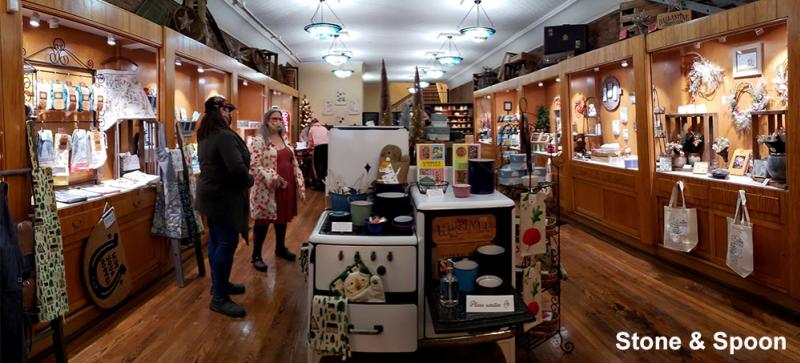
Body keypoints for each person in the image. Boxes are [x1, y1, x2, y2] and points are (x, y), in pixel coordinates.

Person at [195, 95, 253, 318]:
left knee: (217, 241)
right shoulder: (224, 137)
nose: (230, 114)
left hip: (211, 197)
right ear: (217, 112)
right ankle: (219, 297)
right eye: (226, 110)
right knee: (226, 243)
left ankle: (219, 284)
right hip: (223, 198)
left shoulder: (206, 134)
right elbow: (237, 168)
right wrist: (250, 180)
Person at [248, 109, 306, 272]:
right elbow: (254, 166)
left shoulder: (284, 138)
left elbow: (291, 160)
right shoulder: (259, 141)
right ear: (266, 121)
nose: (277, 121)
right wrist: (273, 177)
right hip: (267, 189)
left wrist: (298, 181)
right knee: (263, 221)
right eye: (274, 118)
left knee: (282, 218)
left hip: (286, 186)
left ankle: (280, 248)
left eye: (280, 118)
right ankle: (256, 256)